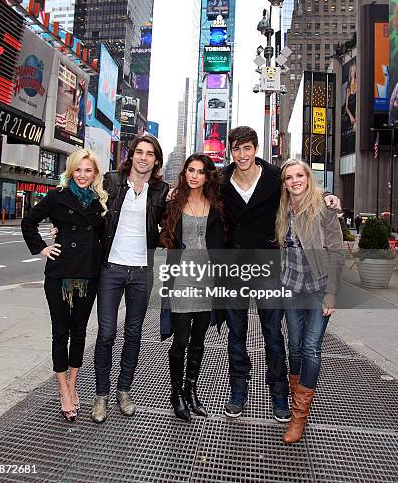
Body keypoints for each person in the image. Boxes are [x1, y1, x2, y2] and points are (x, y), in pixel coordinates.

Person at [220, 126, 340, 421]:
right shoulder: (221, 178)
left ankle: (279, 393)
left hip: (269, 267)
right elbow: (193, 187)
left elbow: (301, 187)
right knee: (236, 334)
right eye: (236, 148)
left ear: (256, 149)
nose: (242, 154)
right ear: (230, 151)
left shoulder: (275, 176)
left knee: (273, 333)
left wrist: (328, 196)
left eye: (247, 148)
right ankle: (239, 389)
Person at [21, 149, 107, 422]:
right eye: (78, 170)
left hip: (88, 275)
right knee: (60, 333)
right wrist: (42, 248)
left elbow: (107, 236)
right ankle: (63, 390)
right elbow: (29, 221)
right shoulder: (57, 197)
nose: (83, 175)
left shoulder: (99, 201)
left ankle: (72, 384)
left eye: (88, 171)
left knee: (79, 332)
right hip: (59, 274)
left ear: (95, 174)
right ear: (71, 172)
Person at [91, 134, 169, 423]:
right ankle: (101, 396)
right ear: (131, 155)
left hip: (141, 271)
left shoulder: (162, 190)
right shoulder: (111, 181)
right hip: (111, 268)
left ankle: (124, 390)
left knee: (133, 333)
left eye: (150, 153)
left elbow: (175, 219)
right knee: (107, 333)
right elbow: (85, 201)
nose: (143, 157)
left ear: (156, 160)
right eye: (139, 152)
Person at [276, 159, 344, 443]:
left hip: (318, 289)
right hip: (292, 288)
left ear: (308, 178)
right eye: (289, 177)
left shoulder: (324, 210)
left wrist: (332, 293)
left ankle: (299, 417)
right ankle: (296, 403)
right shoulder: (283, 210)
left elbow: (337, 252)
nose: (295, 181)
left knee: (310, 349)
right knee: (294, 346)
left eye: (300, 175)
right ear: (285, 183)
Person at [159, 154, 226, 421]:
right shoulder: (173, 202)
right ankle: (176, 394)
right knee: (181, 340)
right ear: (184, 173)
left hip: (207, 281)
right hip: (181, 280)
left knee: (199, 340)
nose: (194, 175)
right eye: (190, 170)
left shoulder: (218, 205)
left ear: (208, 175)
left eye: (200, 171)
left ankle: (191, 391)